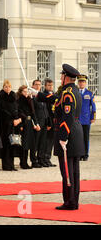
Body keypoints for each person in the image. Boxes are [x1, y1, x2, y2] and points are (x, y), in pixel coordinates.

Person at [37, 64, 85, 210]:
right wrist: (38, 94)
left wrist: (63, 137)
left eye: (61, 76)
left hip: (68, 133)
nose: (60, 78)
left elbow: (67, 116)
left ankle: (69, 202)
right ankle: (74, 200)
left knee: (67, 171)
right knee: (74, 170)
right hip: (76, 132)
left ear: (66, 77)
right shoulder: (73, 91)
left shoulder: (68, 93)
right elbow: (56, 99)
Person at [0, 80, 22, 171]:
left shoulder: (13, 96)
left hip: (14, 124)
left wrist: (18, 119)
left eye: (9, 87)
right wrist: (11, 120)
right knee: (6, 145)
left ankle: (12, 165)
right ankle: (6, 165)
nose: (8, 88)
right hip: (5, 125)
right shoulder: (0, 97)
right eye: (6, 87)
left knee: (13, 144)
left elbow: (17, 109)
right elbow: (2, 111)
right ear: (3, 88)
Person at [17, 85, 40, 169]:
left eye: (27, 91)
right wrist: (22, 124)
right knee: (24, 144)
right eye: (24, 91)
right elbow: (19, 112)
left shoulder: (29, 100)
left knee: (29, 144)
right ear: (21, 92)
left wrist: (36, 123)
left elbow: (33, 113)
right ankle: (23, 162)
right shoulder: (19, 100)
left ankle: (26, 162)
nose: (26, 93)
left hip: (30, 123)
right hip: (24, 123)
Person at [32, 79, 50, 168]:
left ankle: (41, 159)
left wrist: (48, 122)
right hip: (37, 123)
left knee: (43, 142)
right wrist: (35, 123)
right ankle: (34, 160)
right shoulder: (32, 97)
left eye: (39, 85)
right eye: (36, 84)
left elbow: (46, 110)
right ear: (33, 86)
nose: (38, 86)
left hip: (44, 122)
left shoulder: (42, 96)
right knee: (36, 143)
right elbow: (33, 112)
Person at [77, 75, 96, 161]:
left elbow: (93, 106)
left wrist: (93, 117)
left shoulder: (89, 93)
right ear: (78, 83)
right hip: (76, 119)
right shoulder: (75, 92)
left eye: (83, 82)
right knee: (77, 138)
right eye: (80, 82)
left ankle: (85, 154)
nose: (81, 83)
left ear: (85, 83)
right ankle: (79, 154)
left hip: (86, 119)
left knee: (85, 137)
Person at [42, 79, 57, 167]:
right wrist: (49, 123)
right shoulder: (44, 95)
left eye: (51, 85)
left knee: (51, 142)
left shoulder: (54, 95)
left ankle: (48, 158)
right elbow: (46, 111)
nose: (50, 87)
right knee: (46, 141)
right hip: (48, 122)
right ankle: (43, 158)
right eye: (48, 85)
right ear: (45, 86)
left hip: (54, 122)